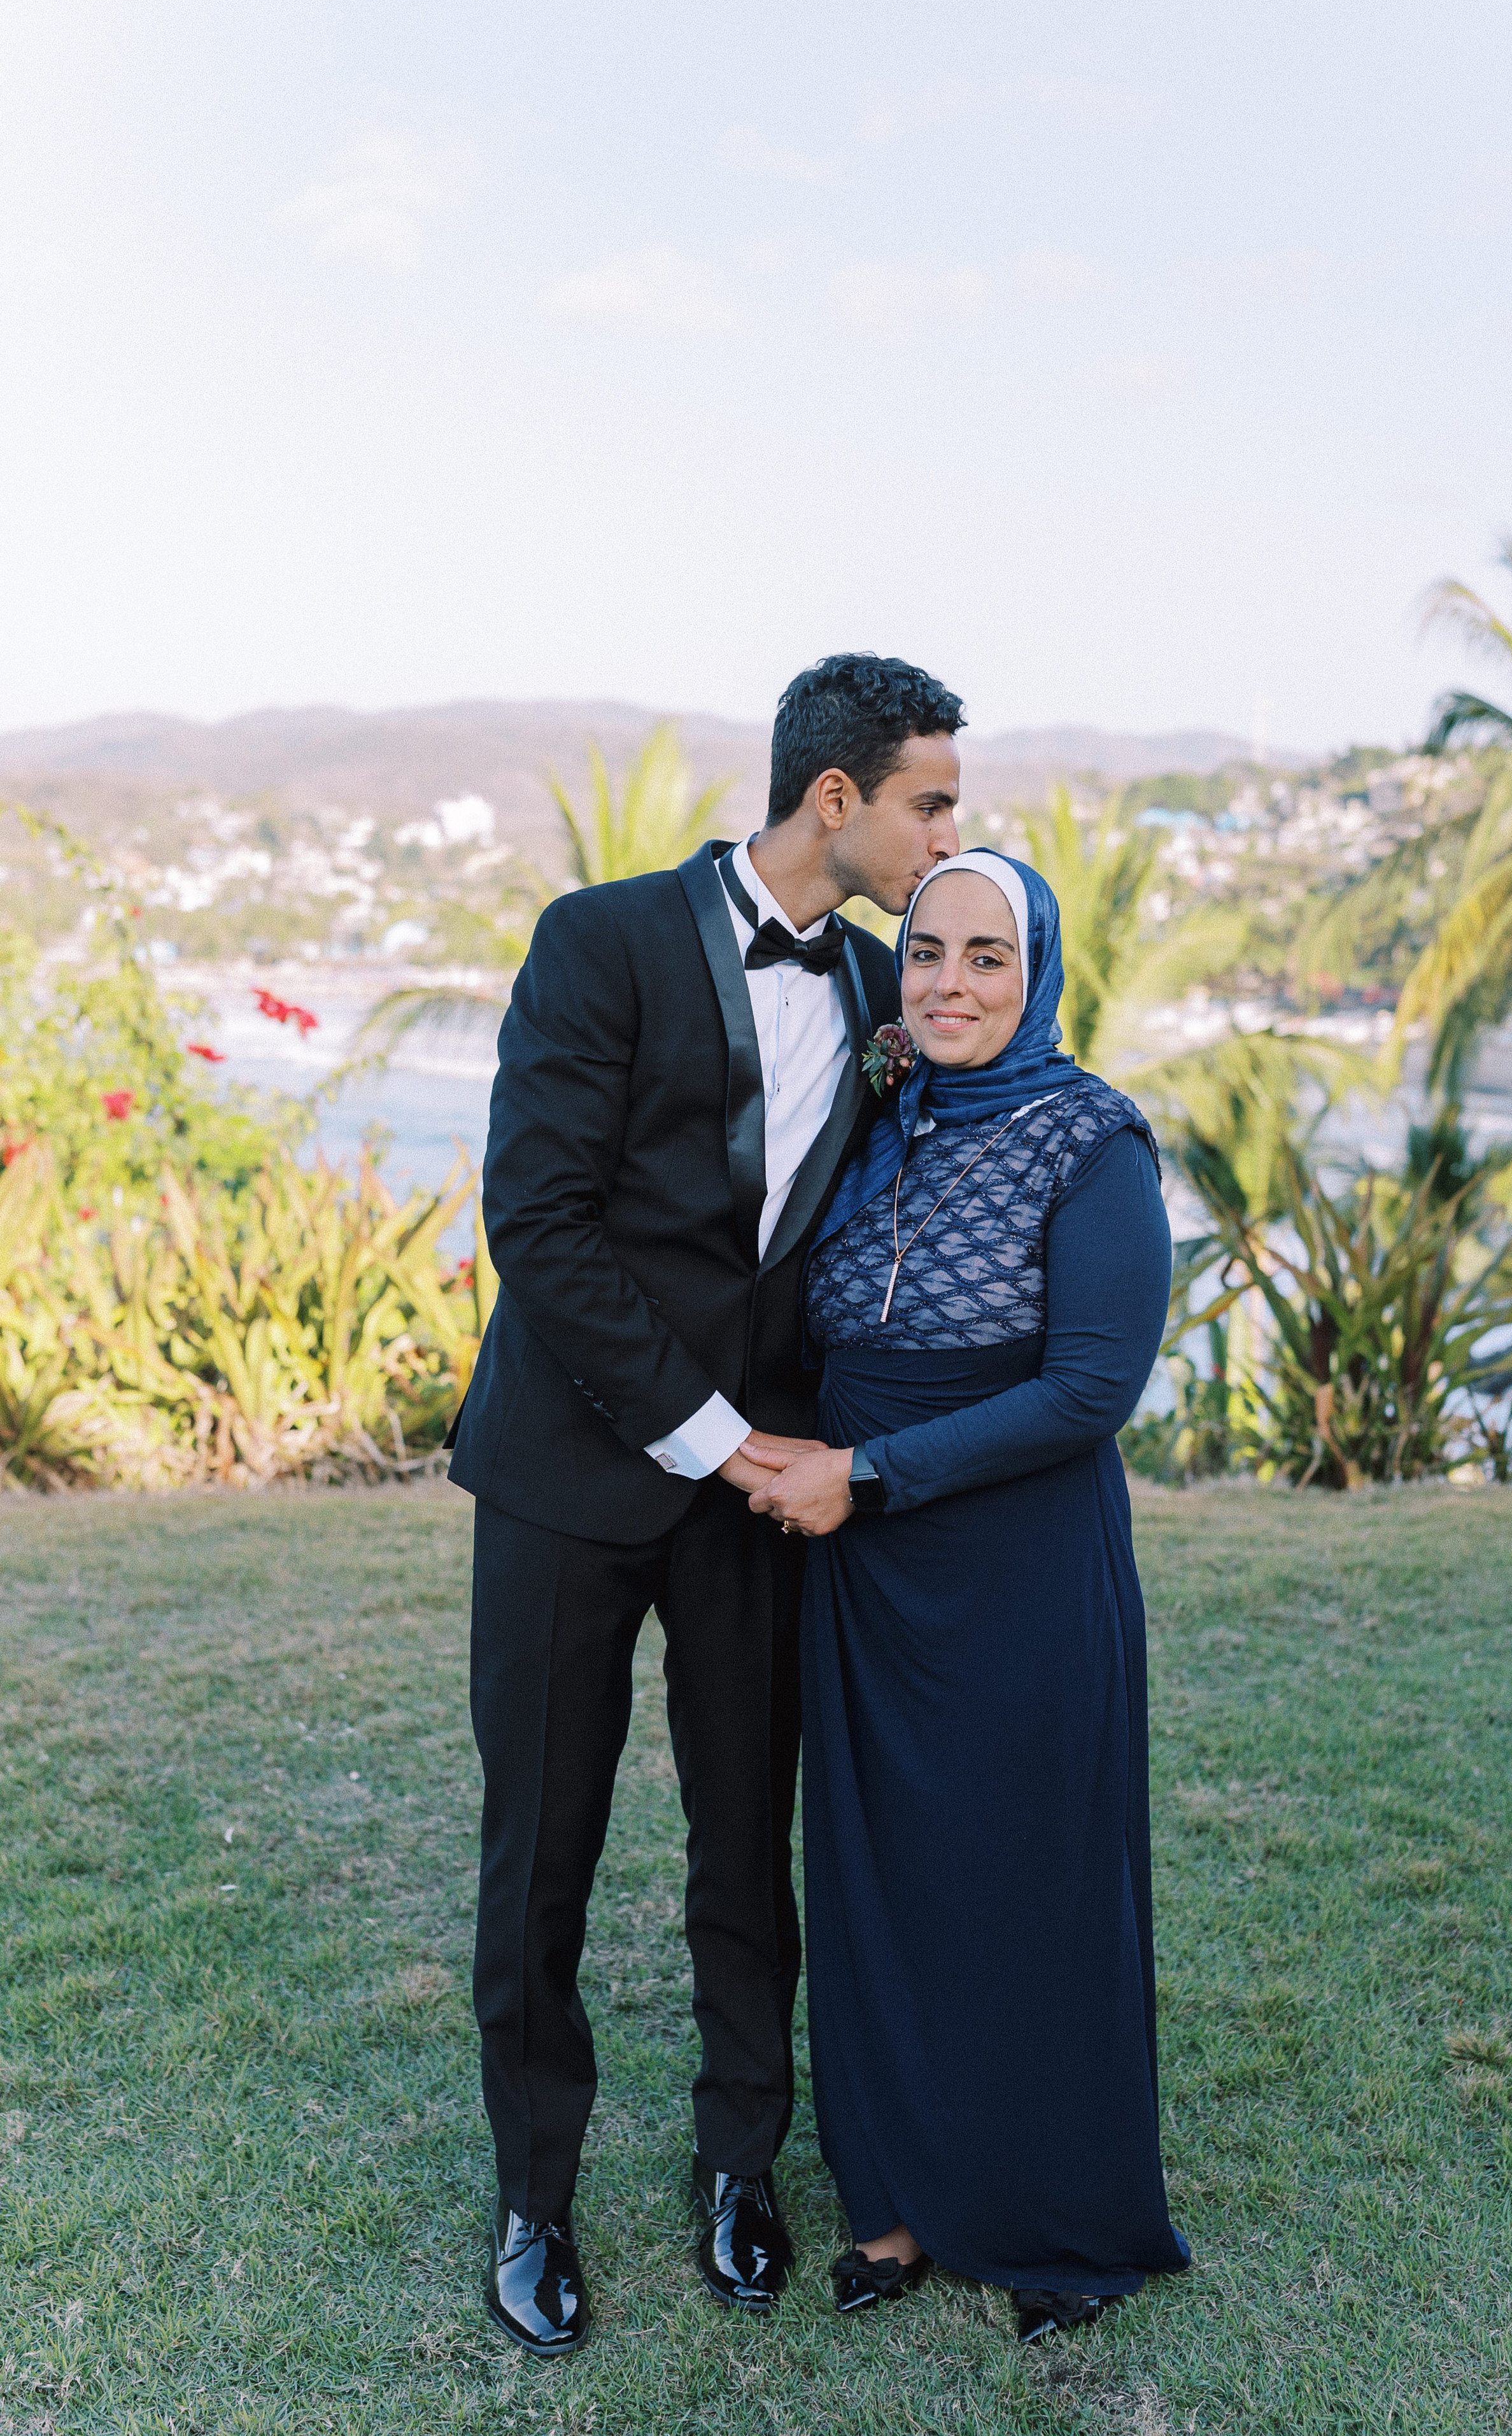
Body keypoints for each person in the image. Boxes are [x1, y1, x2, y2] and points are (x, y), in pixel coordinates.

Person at [445, 654, 966, 2358]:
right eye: (930, 801)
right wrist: (714, 1435)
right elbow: (542, 1223)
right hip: (568, 1478)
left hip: (764, 1504)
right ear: (838, 800)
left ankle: (742, 2169)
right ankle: (536, 2196)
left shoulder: (889, 985)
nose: (948, 830)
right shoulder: (597, 941)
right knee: (543, 1857)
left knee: (750, 1846)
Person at [749, 849, 1192, 2344]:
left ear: (1038, 971)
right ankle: (892, 2199)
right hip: (867, 1574)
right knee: (878, 1876)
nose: (947, 983)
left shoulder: (1092, 1138)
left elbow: (1086, 1390)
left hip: (1012, 1564)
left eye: (985, 958)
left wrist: (863, 1470)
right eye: (924, 952)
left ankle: (1055, 2218)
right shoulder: (877, 1118)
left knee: (1024, 1880)